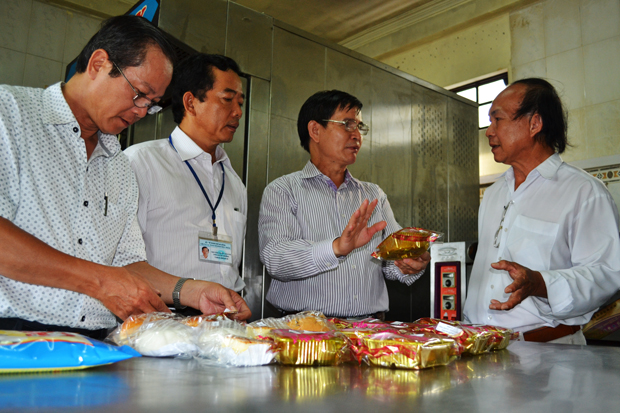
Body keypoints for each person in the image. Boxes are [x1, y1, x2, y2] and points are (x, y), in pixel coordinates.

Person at [0, 16, 250, 340]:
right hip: (12, 338)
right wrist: (99, 281)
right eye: (139, 94)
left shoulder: (118, 164)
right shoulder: (11, 115)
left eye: (152, 105)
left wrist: (191, 291)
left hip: (93, 344)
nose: (142, 112)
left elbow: (129, 263)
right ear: (99, 63)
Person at [463, 78, 620, 344]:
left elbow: (608, 274)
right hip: (481, 349)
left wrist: (540, 283)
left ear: (534, 123)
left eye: (497, 120)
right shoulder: (493, 194)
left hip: (548, 353)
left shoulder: (583, 192)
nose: (489, 132)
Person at [258, 90, 430, 320]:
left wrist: (408, 264)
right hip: (305, 333)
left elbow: (389, 264)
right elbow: (276, 260)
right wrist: (336, 248)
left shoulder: (372, 194)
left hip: (368, 332)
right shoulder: (283, 190)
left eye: (359, 126)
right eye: (347, 124)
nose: (357, 135)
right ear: (315, 130)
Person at [125, 53, 247, 293]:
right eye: (227, 99)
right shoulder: (141, 163)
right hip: (161, 320)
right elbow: (121, 262)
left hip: (223, 322)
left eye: (240, 103)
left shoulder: (233, 182)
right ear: (191, 102)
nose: (238, 112)